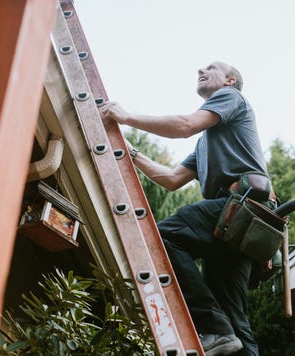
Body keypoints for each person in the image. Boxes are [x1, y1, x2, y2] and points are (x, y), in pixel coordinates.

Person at [100, 61, 266, 355]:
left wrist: (126, 117)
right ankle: (221, 332)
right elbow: (171, 179)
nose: (200, 70)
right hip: (235, 227)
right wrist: (128, 149)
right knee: (234, 325)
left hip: (242, 209)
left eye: (210, 67)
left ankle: (212, 327)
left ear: (229, 81)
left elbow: (185, 126)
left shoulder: (232, 98)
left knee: (163, 237)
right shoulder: (206, 143)